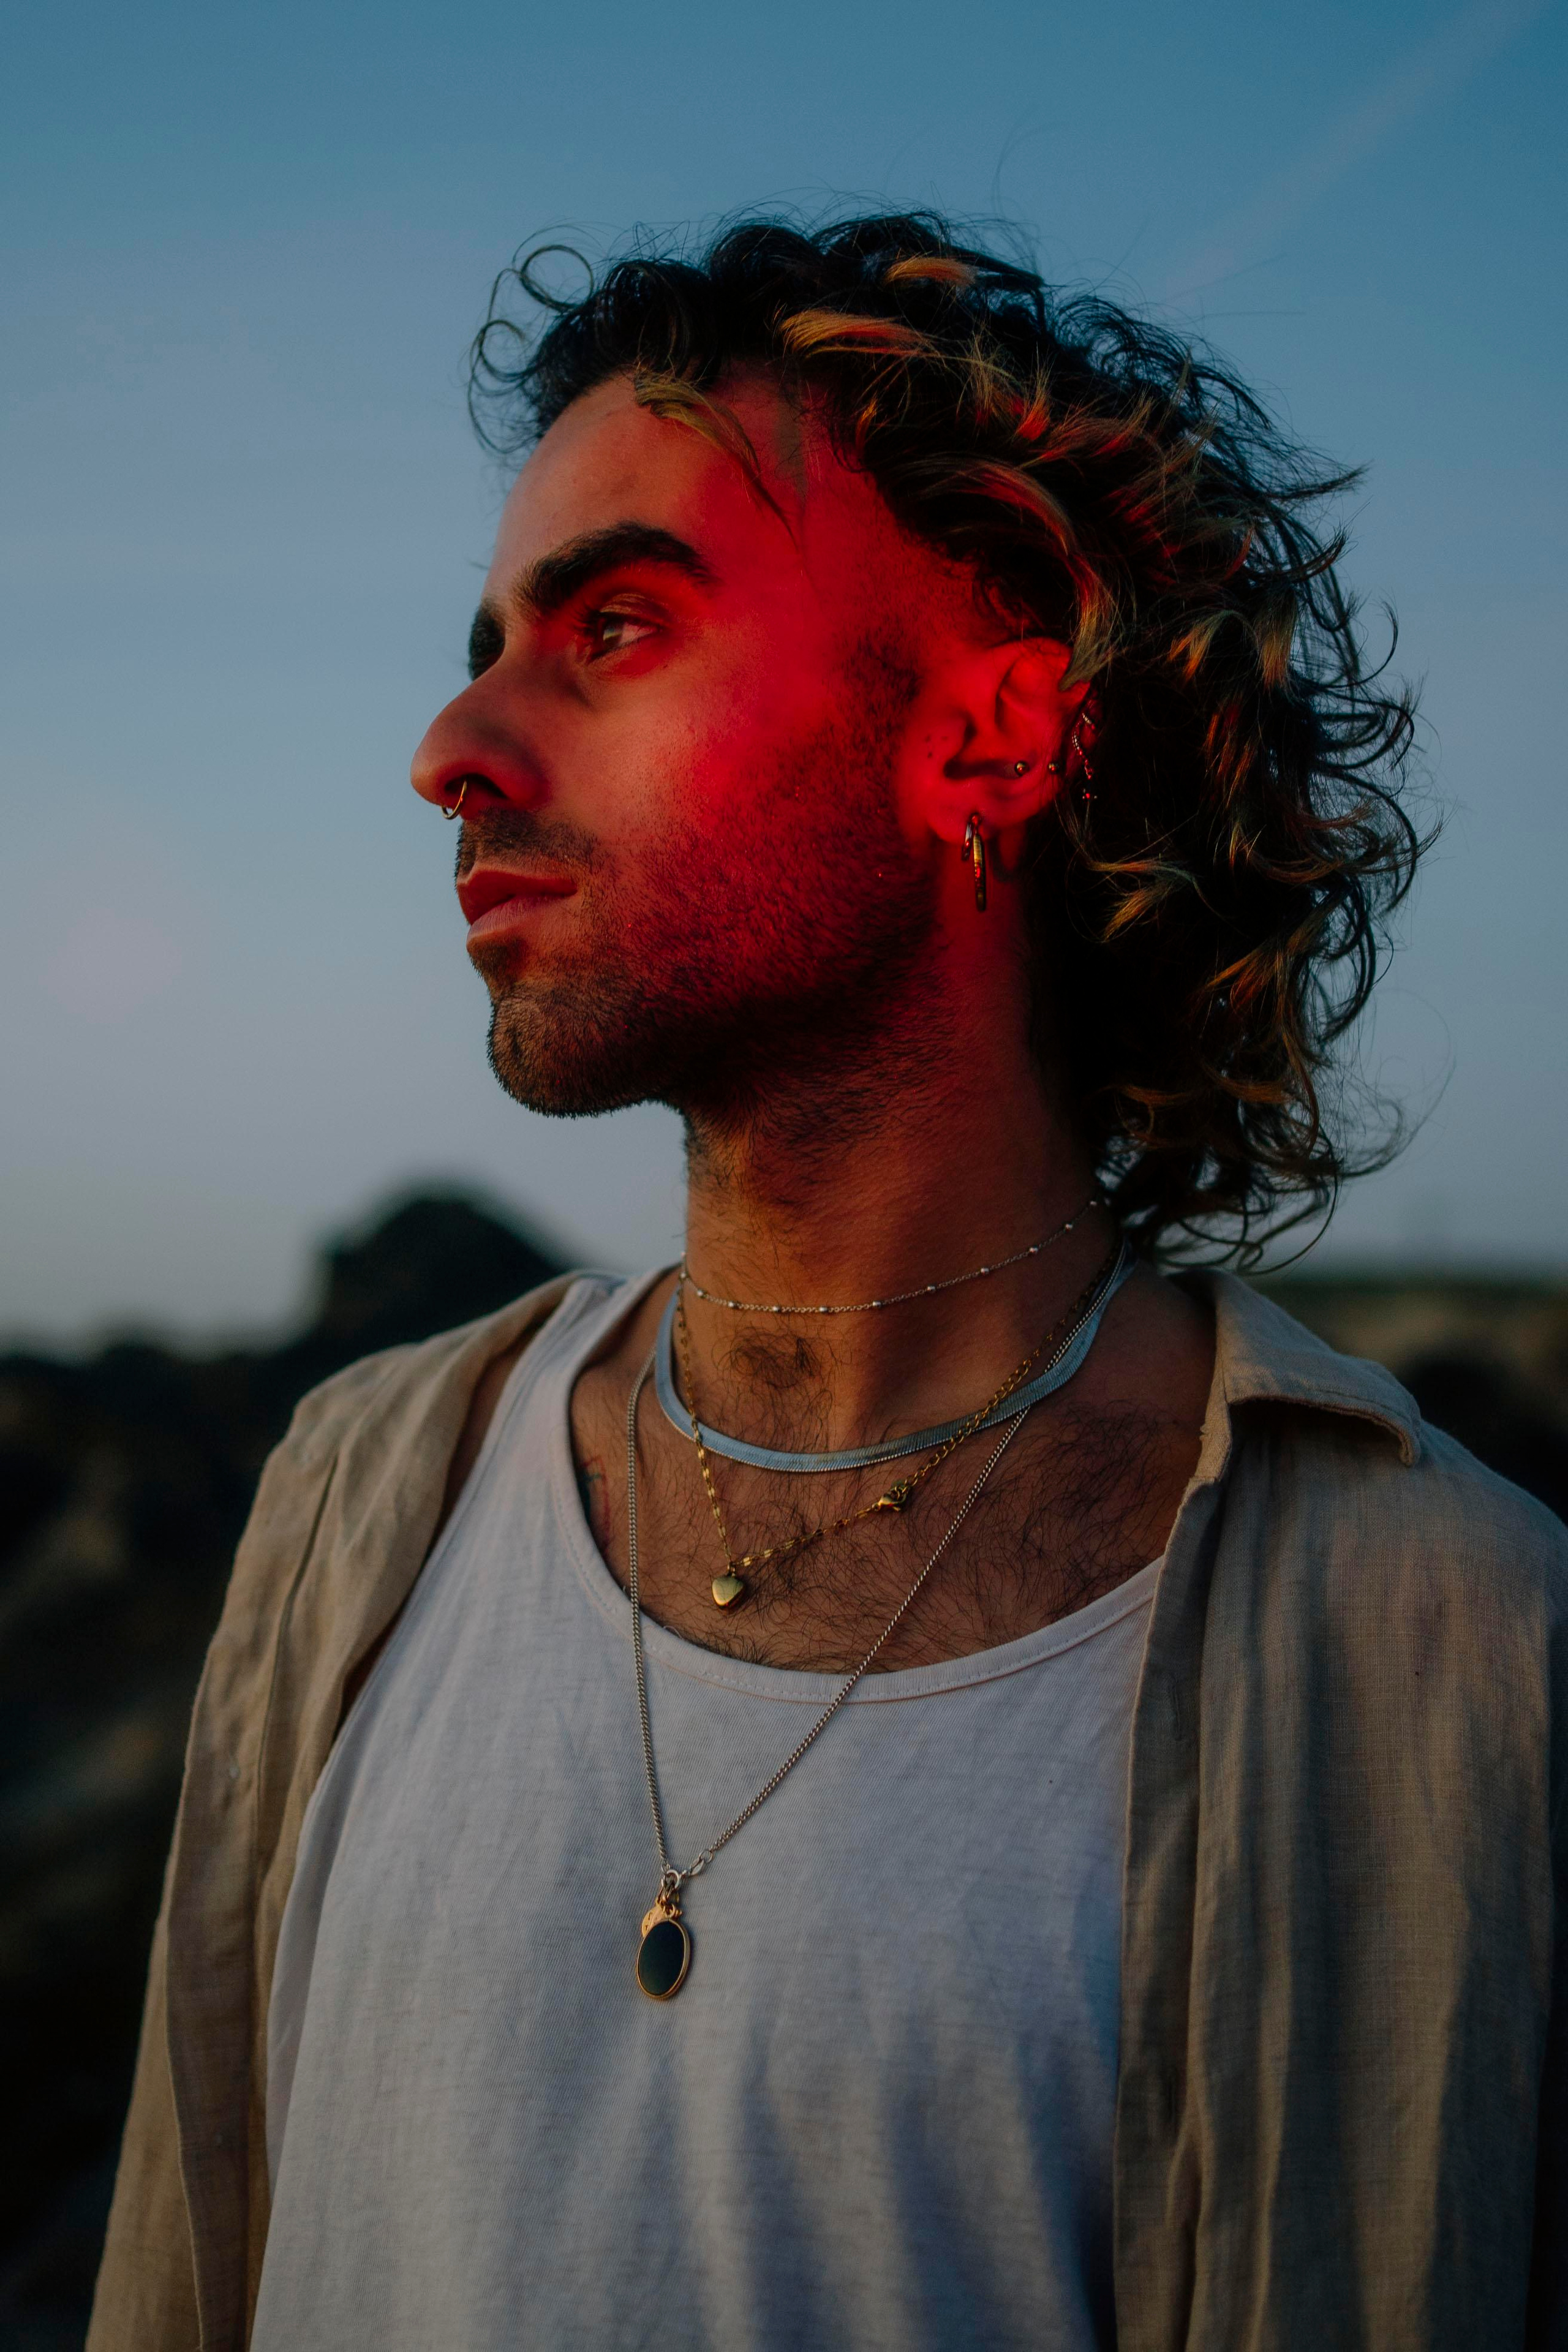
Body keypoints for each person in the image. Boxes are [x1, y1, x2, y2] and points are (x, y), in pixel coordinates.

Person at [90, 216, 1567, 2352]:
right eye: (488, 636)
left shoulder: (1457, 1653)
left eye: (612, 628)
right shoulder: (358, 1502)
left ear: (983, 744)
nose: (451, 745)